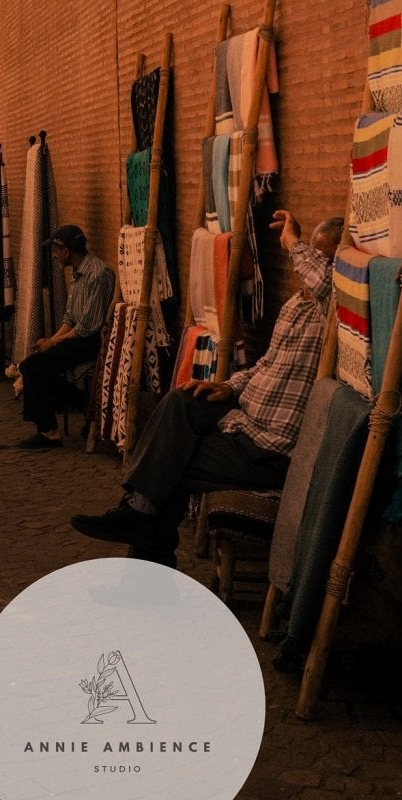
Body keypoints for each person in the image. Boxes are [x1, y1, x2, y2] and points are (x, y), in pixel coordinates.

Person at [71, 208, 344, 563]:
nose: (308, 263)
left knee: (167, 466)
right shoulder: (299, 303)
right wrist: (229, 386)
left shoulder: (338, 310)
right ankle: (138, 515)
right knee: (180, 401)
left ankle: (141, 539)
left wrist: (292, 241)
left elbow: (331, 284)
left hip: (267, 449)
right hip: (245, 416)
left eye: (325, 258)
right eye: (313, 252)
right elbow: (268, 363)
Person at [13, 225, 115, 450]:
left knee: (32, 367)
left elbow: (88, 326)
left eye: (56, 250)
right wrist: (50, 341)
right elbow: (70, 318)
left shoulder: (97, 275)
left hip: (90, 341)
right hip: (76, 337)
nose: (54, 255)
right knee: (35, 362)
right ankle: (70, 404)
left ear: (66, 251)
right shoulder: (79, 274)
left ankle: (49, 431)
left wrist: (54, 342)